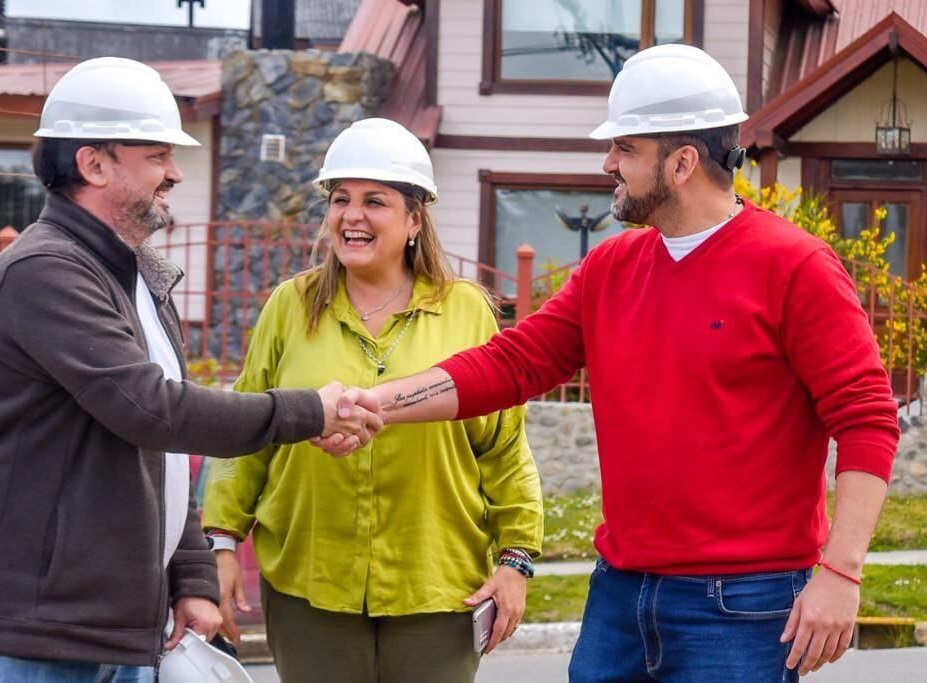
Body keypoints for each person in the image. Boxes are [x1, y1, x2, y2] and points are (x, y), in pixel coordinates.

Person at [324, 45, 900, 682]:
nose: (608, 163)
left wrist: (842, 572)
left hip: (744, 605)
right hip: (621, 595)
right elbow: (514, 363)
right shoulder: (610, 269)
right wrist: (375, 402)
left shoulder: (796, 267)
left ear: (681, 163)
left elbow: (868, 420)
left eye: (625, 149)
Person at [0, 57, 380, 682]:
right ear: (93, 163)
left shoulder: (137, 276)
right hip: (16, 637)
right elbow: (153, 409)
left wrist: (188, 576)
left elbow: (158, 448)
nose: (175, 172)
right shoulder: (44, 269)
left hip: (105, 630)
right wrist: (309, 410)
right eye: (156, 155)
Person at [202, 118, 543, 683]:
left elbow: (504, 450)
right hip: (310, 583)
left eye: (374, 201)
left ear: (414, 219)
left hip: (437, 587)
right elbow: (248, 431)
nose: (351, 216)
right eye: (340, 200)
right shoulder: (290, 305)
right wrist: (219, 545)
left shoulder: (467, 312)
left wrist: (516, 560)